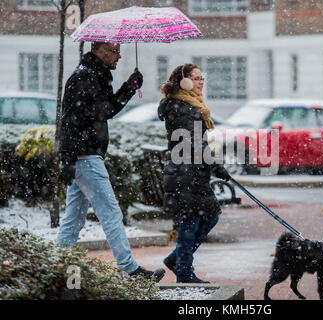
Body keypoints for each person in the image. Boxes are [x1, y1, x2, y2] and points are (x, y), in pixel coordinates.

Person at [56, 42, 165, 282]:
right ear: (99, 50)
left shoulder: (94, 76)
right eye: (114, 51)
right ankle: (129, 269)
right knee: (111, 213)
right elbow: (71, 121)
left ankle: (57, 263)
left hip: (84, 156)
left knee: (74, 217)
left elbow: (106, 110)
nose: (119, 55)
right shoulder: (83, 78)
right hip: (86, 157)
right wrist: (68, 160)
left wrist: (129, 86)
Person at [158, 63, 231, 283]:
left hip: (192, 172)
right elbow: (192, 142)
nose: (201, 82)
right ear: (185, 82)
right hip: (185, 173)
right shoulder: (181, 108)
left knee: (209, 216)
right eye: (196, 78)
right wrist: (216, 164)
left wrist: (213, 164)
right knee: (191, 221)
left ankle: (177, 260)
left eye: (202, 78)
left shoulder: (192, 106)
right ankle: (183, 272)